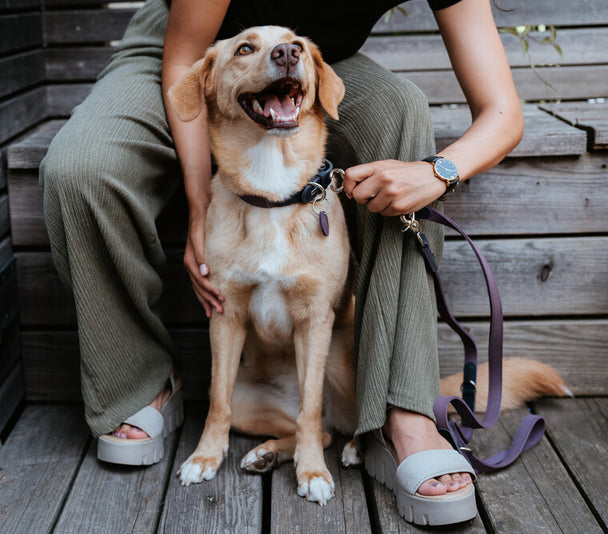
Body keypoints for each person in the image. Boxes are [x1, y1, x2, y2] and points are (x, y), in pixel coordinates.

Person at [39, 0, 522, 517]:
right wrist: (201, 205)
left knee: (401, 108)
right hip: (188, 48)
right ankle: (137, 382)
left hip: (313, 61)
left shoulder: (303, 58)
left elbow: (502, 112)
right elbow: (183, 60)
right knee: (80, 168)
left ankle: (401, 408)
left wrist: (437, 171)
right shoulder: (201, 59)